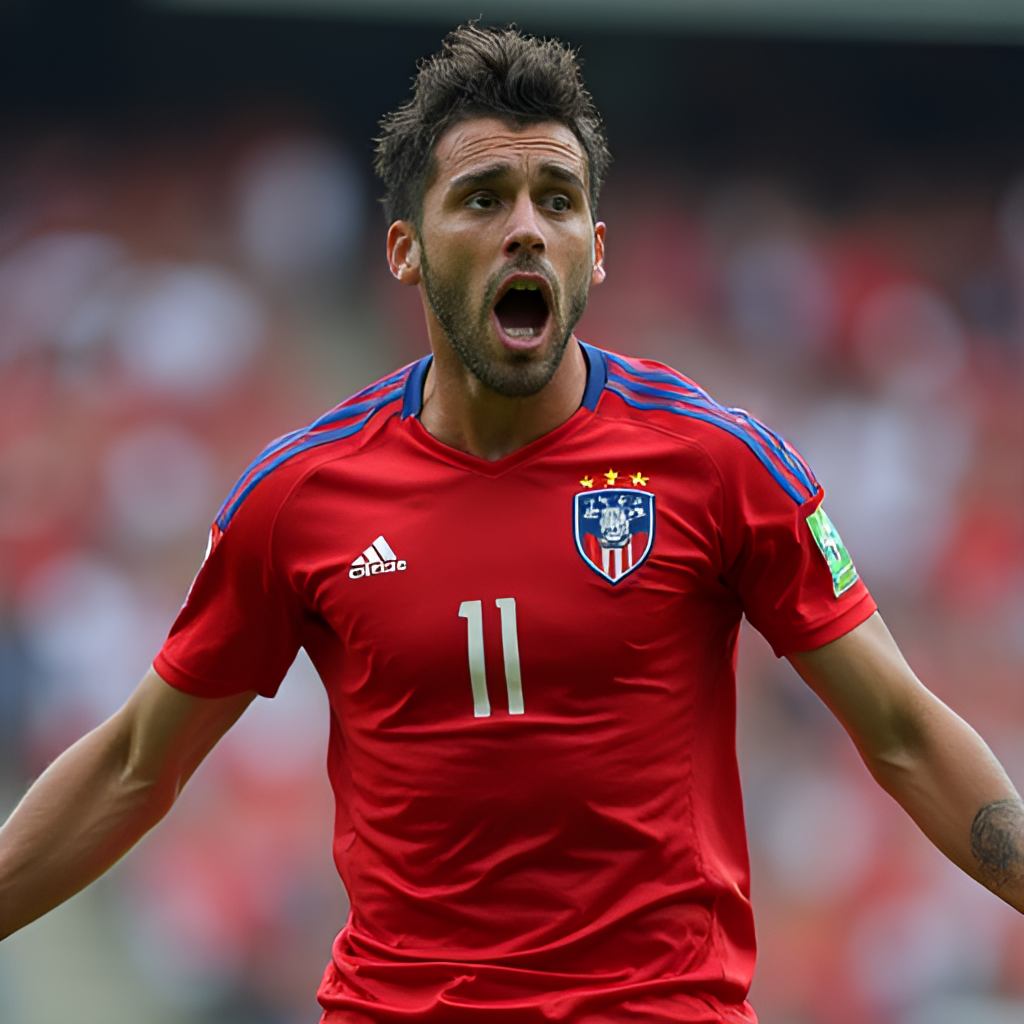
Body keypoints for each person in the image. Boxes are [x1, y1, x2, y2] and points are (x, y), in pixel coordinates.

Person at [1, 23, 1021, 1024]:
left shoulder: (719, 464)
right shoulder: (299, 496)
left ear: (596, 248)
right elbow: (138, 760)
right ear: (404, 250)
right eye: (483, 199)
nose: (526, 227)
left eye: (557, 201)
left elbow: (901, 730)